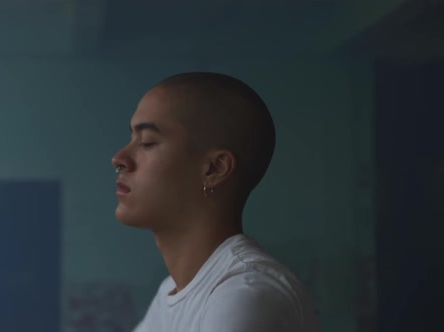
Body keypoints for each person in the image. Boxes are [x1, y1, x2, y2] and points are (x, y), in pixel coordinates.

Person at [111, 72, 320, 332]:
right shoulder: (172, 291)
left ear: (214, 169)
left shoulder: (245, 296)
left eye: (147, 142)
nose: (119, 158)